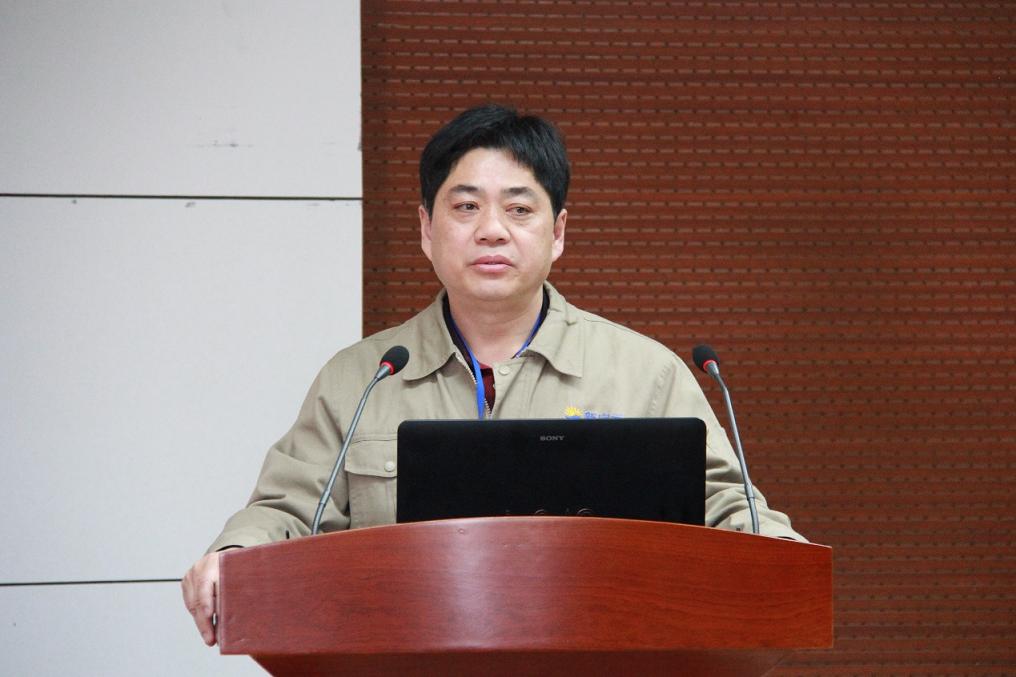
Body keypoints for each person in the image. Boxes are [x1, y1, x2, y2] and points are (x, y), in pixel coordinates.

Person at [181, 104, 805, 646]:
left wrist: (784, 556)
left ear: (557, 233)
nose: (491, 231)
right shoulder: (363, 378)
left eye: (519, 208)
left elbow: (727, 507)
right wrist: (234, 555)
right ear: (426, 229)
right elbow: (289, 509)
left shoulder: (646, 373)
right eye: (466, 206)